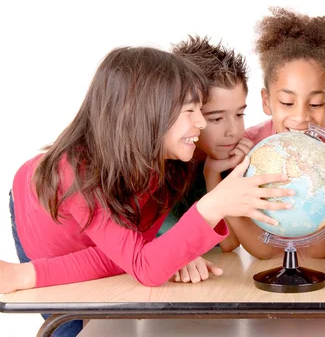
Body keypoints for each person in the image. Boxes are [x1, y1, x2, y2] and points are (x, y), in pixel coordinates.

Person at [2, 47, 293, 336]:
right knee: (75, 325)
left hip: (107, 219)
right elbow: (143, 264)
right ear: (146, 114)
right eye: (190, 111)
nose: (201, 123)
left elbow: (134, 254)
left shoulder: (172, 164)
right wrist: (27, 275)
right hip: (45, 218)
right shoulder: (76, 174)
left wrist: (163, 253)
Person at [237, 7, 325, 259]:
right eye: (286, 102)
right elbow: (263, 252)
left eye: (315, 104)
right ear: (266, 100)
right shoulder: (247, 147)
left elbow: (319, 252)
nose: (301, 117)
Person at [157, 36, 254, 273]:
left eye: (239, 115)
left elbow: (228, 244)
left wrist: (213, 175)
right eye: (216, 118)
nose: (233, 131)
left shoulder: (227, 161)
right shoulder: (162, 165)